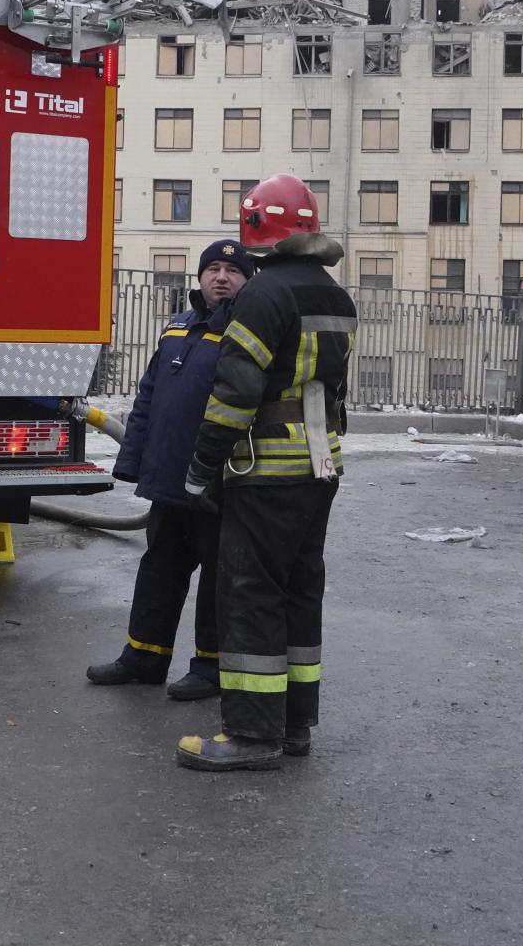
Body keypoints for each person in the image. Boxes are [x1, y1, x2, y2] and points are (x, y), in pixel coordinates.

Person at [176, 173, 356, 772]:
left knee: (251, 596)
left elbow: (237, 391)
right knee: (300, 594)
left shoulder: (262, 294)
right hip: (318, 468)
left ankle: (252, 735)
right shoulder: (336, 296)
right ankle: (295, 725)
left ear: (256, 227)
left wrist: (203, 465)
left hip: (265, 472)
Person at [88, 238, 255, 699]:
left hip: (218, 481)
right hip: (169, 478)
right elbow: (148, 397)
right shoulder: (178, 327)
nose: (221, 277)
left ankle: (210, 668)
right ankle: (143, 656)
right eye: (213, 268)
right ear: (200, 277)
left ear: (247, 281)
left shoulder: (249, 330)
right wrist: (133, 460)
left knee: (218, 577)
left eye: (233, 270)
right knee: (160, 566)